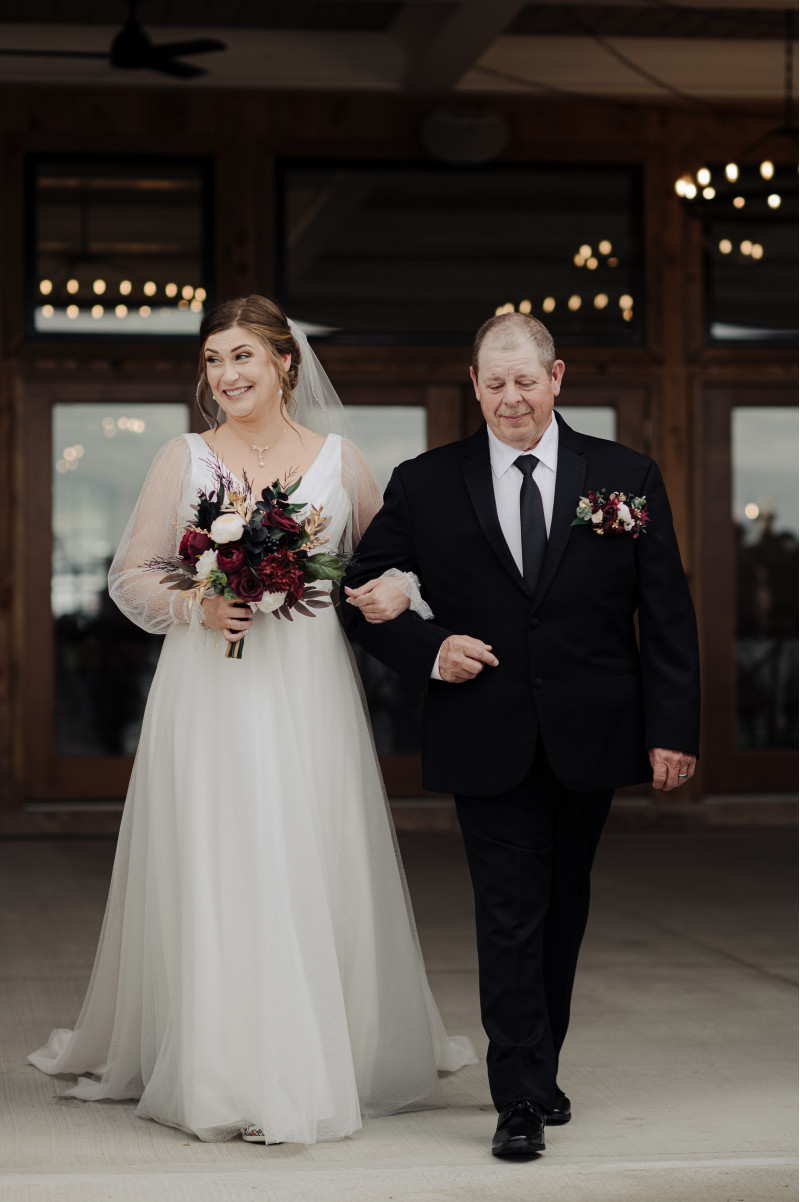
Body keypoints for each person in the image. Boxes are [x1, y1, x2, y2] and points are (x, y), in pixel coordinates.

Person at [28, 295, 475, 1145]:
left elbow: (386, 566)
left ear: (284, 363)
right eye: (213, 360)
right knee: (223, 853)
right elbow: (132, 575)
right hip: (211, 691)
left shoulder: (340, 461)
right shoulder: (184, 458)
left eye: (242, 357)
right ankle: (223, 1069)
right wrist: (199, 604)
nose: (226, 375)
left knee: (308, 846)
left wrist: (397, 590)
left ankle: (317, 1057)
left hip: (308, 689)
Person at [342, 312, 701, 1159]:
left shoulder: (625, 475)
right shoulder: (426, 482)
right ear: (474, 385)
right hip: (483, 730)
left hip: (593, 731)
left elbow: (667, 613)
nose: (511, 398)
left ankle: (540, 1067)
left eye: (526, 381)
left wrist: (672, 729)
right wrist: (432, 650)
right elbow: (359, 594)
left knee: (562, 913)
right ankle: (519, 1099)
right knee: (509, 915)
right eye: (495, 382)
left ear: (557, 378)